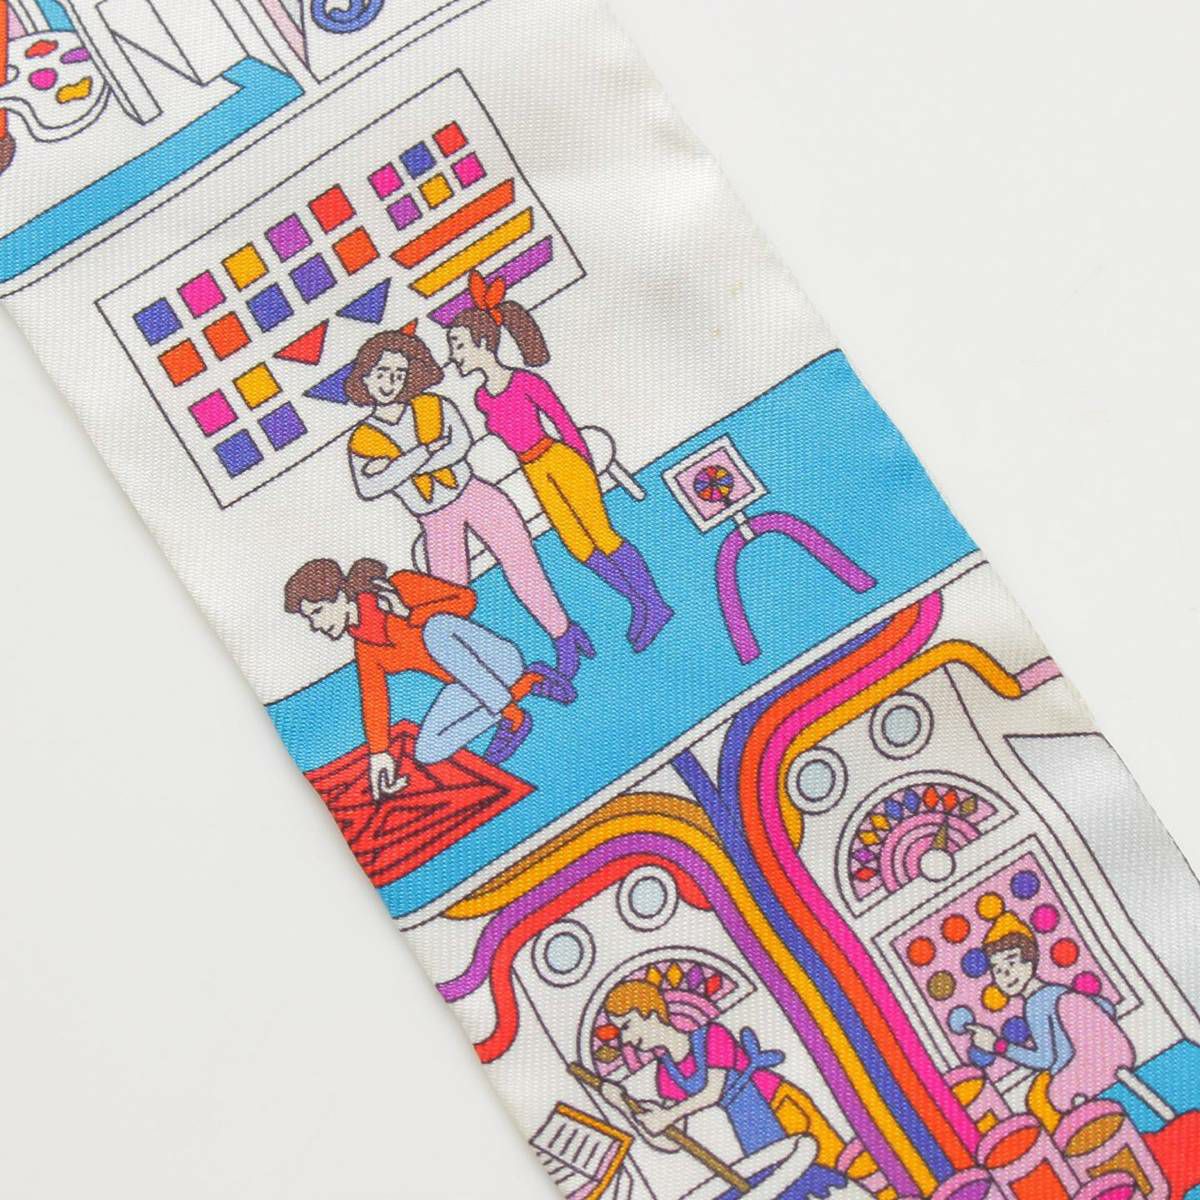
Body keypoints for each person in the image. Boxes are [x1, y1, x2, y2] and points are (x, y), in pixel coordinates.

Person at [345, 326, 594, 681]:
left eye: (400, 373)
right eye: (382, 372)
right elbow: (370, 486)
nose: (391, 382)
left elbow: (458, 447)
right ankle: (490, 673)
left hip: (475, 495)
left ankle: (565, 636)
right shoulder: (362, 439)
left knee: (523, 565)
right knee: (451, 600)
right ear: (365, 378)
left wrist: (398, 467)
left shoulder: (435, 405)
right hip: (434, 519)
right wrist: (425, 452)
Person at [447, 273, 673, 654]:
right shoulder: (482, 399)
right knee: (578, 547)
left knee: (603, 536)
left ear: (483, 343)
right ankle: (638, 603)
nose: (455, 355)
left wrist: (584, 464)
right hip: (534, 471)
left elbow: (563, 422)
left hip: (560, 460)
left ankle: (655, 604)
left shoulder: (525, 382)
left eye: (458, 345)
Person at [283, 558, 574, 798]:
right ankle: (530, 682)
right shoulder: (366, 647)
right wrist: (379, 756)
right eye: (310, 618)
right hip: (471, 686)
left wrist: (409, 613)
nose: (315, 625)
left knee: (436, 630)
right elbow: (375, 699)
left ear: (339, 596)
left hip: (498, 661)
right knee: (427, 751)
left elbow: (466, 600)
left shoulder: (398, 586)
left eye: (317, 612)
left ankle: (513, 717)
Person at [599, 980, 849, 1194]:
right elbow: (673, 1141)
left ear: (649, 1011)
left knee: (831, 1167)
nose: (625, 1040)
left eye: (627, 1026)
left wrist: (667, 1116)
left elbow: (713, 1091)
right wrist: (622, 1105)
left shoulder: (712, 1036)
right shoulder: (666, 1074)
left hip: (781, 1106)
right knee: (786, 1181)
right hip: (748, 1127)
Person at [966, 909, 1134, 1129]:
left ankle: (1076, 1138)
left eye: (1011, 962)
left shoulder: (1036, 1004)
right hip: (1117, 1054)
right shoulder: (1057, 990)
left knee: (1038, 1099)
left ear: (1030, 960)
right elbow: (1107, 1008)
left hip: (1084, 1072)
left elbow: (1045, 1060)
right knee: (1040, 1084)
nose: (1005, 974)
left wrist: (997, 1045)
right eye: (997, 970)